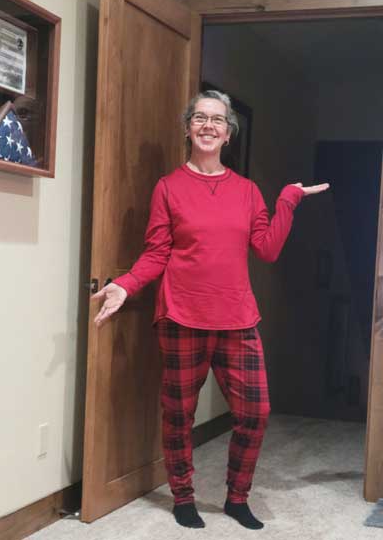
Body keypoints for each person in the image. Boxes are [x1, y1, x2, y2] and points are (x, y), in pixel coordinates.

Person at [92, 90, 329, 530]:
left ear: (228, 134)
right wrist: (125, 284)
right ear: (188, 128)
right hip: (181, 316)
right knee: (179, 414)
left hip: (238, 319)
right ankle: (183, 497)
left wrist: (288, 200)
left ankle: (237, 498)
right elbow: (156, 253)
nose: (208, 125)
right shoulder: (168, 188)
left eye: (217, 119)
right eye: (200, 117)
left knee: (255, 412)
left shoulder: (247, 191)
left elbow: (267, 249)